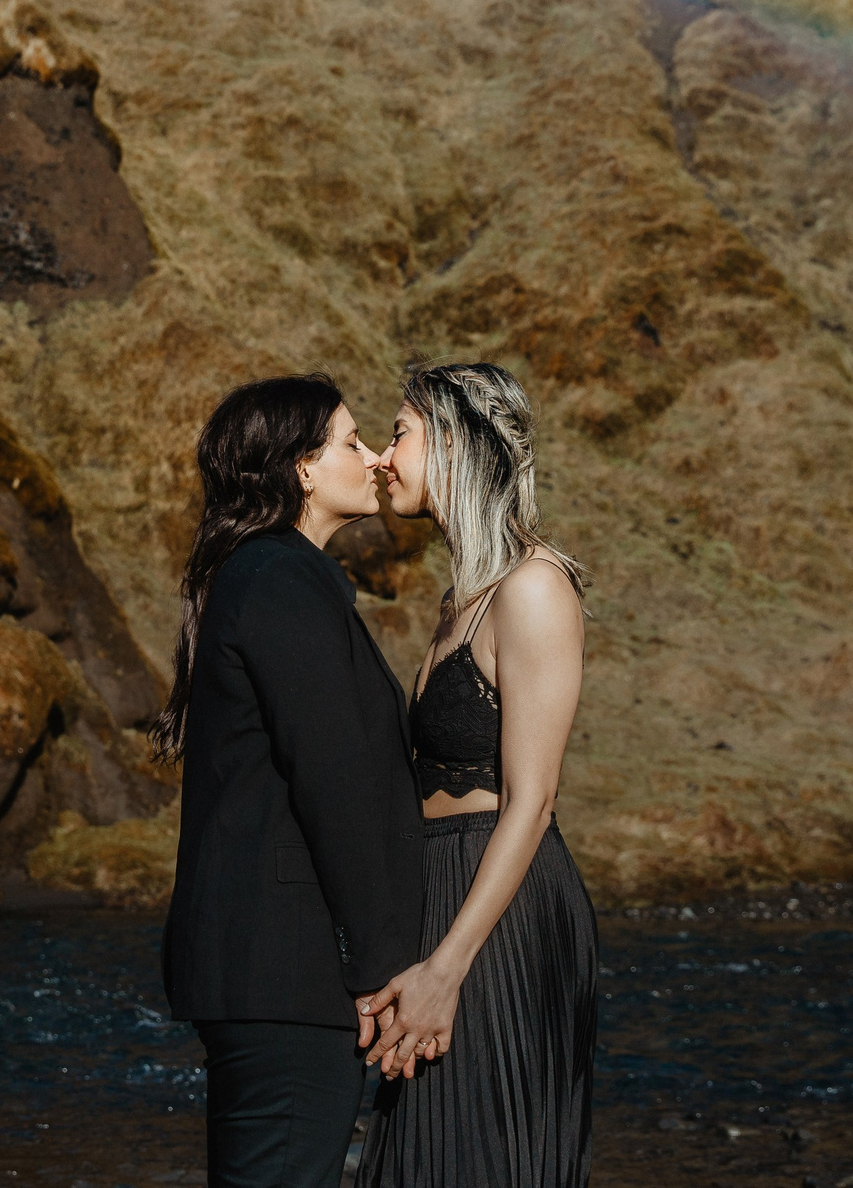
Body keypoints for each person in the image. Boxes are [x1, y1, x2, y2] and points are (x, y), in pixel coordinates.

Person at [157, 373, 426, 1188]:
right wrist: (385, 969)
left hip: (274, 969)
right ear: (303, 469)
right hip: (283, 969)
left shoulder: (270, 577)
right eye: (352, 441)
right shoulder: (277, 579)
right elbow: (334, 782)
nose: (375, 457)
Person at [353, 361, 598, 1187]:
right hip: (444, 899)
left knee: (485, 1156)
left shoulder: (533, 589)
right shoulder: (462, 597)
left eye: (400, 433)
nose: (383, 458)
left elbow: (532, 802)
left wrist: (447, 966)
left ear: (454, 443)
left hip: (501, 915)